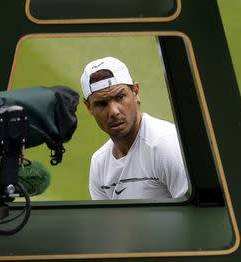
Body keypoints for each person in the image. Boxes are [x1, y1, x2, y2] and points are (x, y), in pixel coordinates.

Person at [80, 56, 189, 200]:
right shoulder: (99, 163)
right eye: (101, 104)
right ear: (89, 107)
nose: (114, 111)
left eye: (120, 97)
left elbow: (196, 215)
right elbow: (105, 222)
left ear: (135, 92)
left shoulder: (166, 145)